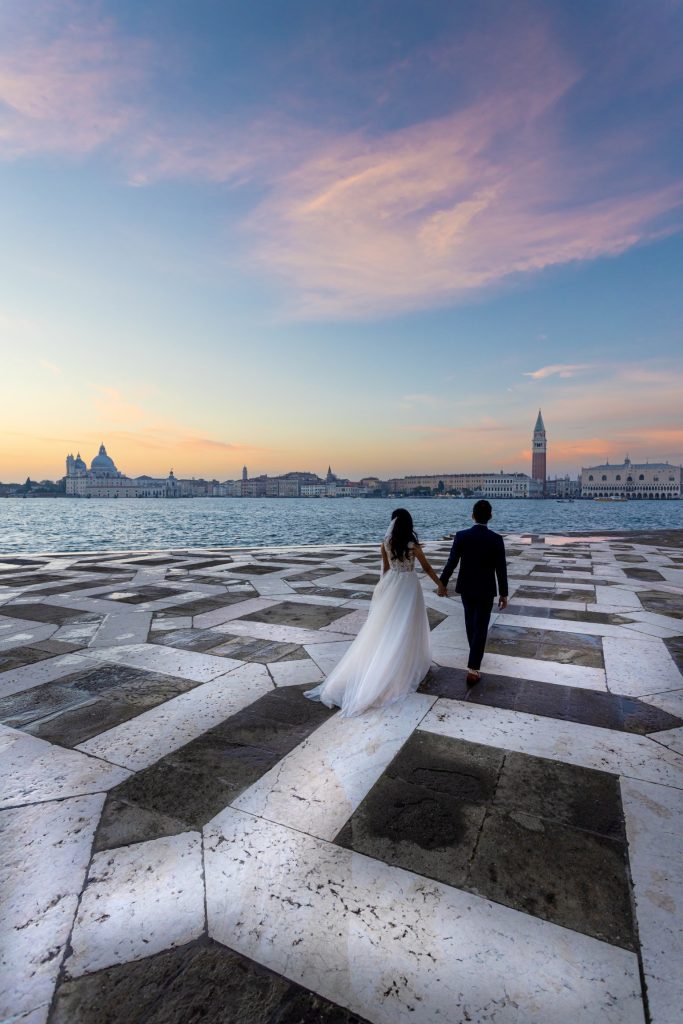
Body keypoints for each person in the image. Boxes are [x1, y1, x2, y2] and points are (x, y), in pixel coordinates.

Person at [305, 508, 446, 717]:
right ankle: (402, 664)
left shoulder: (385, 544)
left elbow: (386, 569)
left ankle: (388, 661)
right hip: (408, 586)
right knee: (407, 625)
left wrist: (383, 590)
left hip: (392, 585)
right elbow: (426, 568)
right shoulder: (412, 546)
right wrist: (441, 584)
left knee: (388, 627)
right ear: (408, 525)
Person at [439, 499, 508, 684]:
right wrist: (504, 593)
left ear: (472, 515)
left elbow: (451, 561)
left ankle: (474, 663)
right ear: (490, 517)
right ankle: (474, 667)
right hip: (486, 589)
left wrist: (442, 582)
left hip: (467, 588)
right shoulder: (496, 539)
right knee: (480, 627)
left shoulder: (461, 536)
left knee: (471, 623)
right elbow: (501, 569)